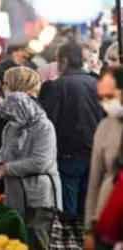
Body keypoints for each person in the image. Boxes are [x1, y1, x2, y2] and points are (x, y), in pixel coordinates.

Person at [0, 92, 62, 250]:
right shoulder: (10, 127)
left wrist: (7, 168)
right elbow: (4, 152)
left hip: (40, 191)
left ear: (24, 109)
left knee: (38, 235)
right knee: (20, 235)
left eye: (14, 116)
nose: (12, 120)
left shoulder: (44, 127)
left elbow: (41, 162)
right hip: (16, 191)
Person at [39, 41, 104, 217]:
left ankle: (71, 242)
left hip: (68, 157)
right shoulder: (97, 84)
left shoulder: (56, 86)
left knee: (68, 211)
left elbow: (46, 123)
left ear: (64, 61)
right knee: (89, 209)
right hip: (95, 155)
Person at [84, 67, 123, 250]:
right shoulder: (105, 126)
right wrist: (89, 230)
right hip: (107, 214)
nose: (106, 102)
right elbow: (95, 180)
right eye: (102, 98)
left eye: (110, 96)